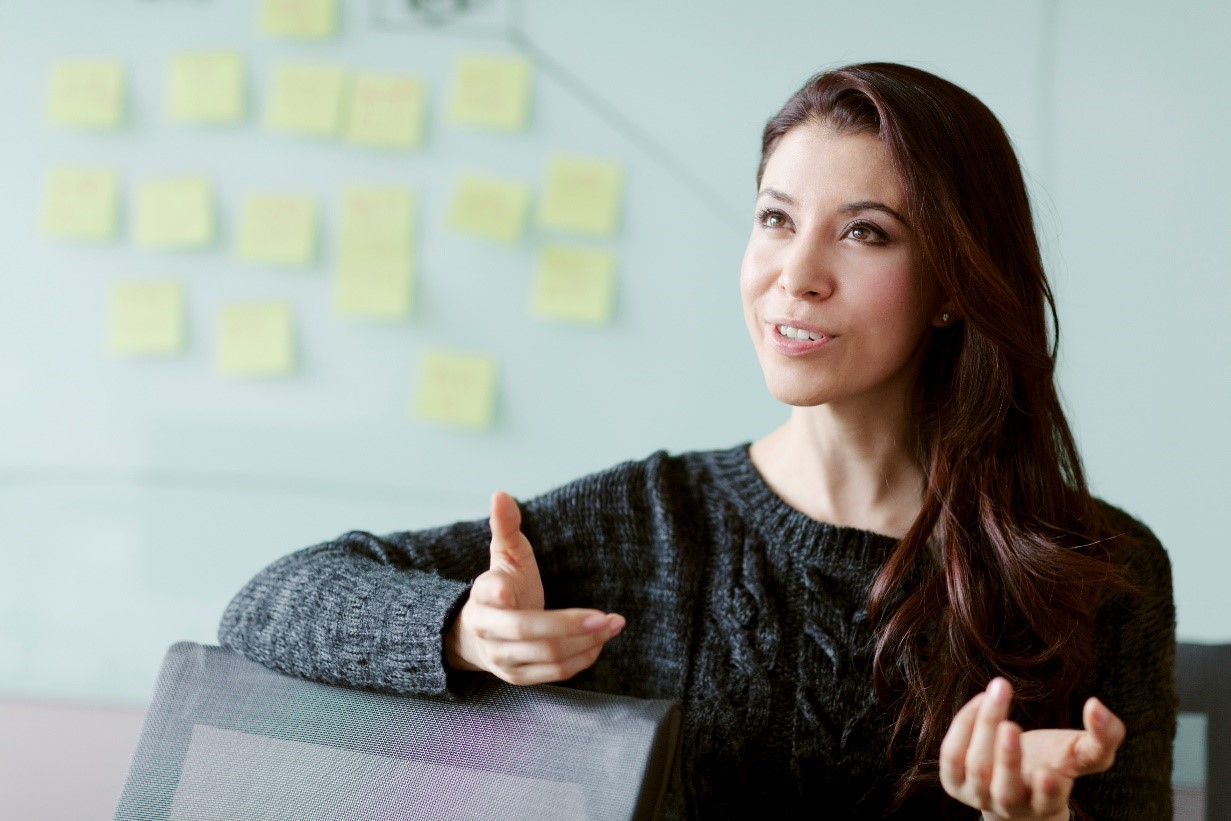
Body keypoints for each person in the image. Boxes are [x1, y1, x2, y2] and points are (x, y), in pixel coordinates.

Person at [219, 62, 1176, 820]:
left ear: (956, 284)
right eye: (775, 219)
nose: (794, 275)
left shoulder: (1104, 566)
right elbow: (266, 600)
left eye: (866, 234)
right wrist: (466, 633)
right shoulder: (650, 523)